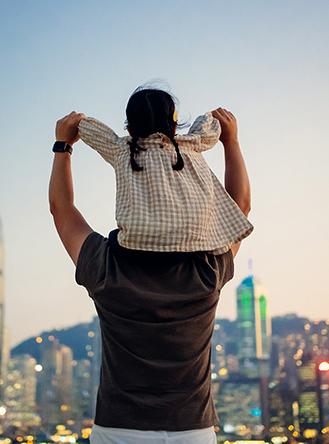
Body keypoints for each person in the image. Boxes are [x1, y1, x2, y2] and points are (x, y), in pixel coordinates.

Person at [49, 96, 251, 444]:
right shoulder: (206, 270)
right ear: (175, 128)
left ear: (128, 130)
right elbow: (239, 208)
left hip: (117, 430)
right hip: (193, 432)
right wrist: (231, 142)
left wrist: (62, 146)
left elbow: (61, 208)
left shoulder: (106, 265)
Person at [77, 87, 253, 253]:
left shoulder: (121, 149)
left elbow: (93, 131)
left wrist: (78, 123)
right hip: (197, 247)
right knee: (236, 213)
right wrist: (229, 137)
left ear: (130, 130)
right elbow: (209, 130)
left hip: (133, 249)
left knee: (118, 237)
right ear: (175, 127)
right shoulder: (191, 144)